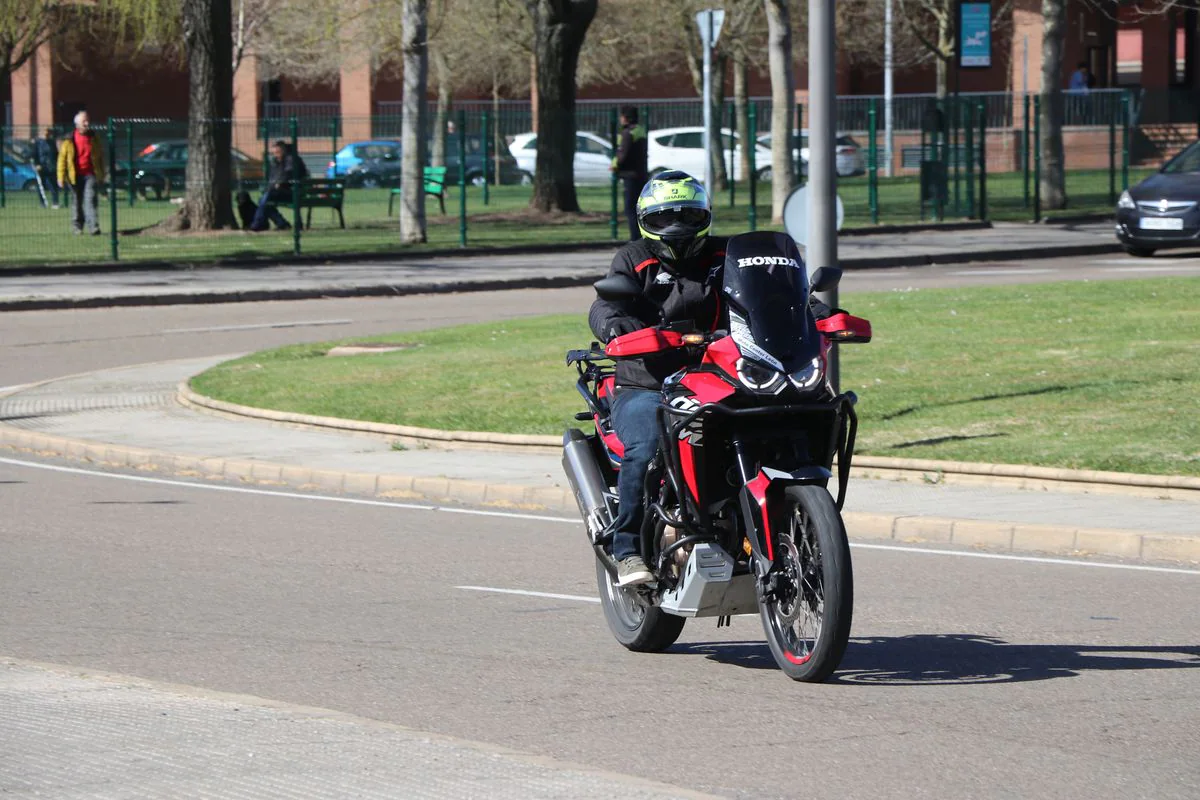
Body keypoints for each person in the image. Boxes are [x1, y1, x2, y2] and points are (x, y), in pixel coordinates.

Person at [587, 170, 726, 586]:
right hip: (648, 382)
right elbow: (603, 307)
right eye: (666, 218)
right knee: (649, 445)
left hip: (719, 376)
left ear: (705, 215)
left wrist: (810, 310)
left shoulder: (728, 255)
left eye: (687, 215)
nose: (678, 228)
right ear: (647, 220)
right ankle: (626, 547)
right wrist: (617, 328)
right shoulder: (632, 259)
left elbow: (770, 289)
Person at [56, 111, 106, 235]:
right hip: (74, 176)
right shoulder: (68, 139)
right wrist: (60, 177)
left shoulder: (94, 137)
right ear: (77, 124)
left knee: (90, 200)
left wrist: (102, 173)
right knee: (76, 202)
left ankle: (93, 227)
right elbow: (62, 159)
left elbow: (100, 157)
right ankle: (77, 227)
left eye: (87, 120)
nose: (87, 123)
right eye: (84, 121)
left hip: (90, 174)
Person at [250, 140, 308, 232]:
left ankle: (257, 224)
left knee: (265, 199)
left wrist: (280, 183)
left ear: (284, 150)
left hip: (293, 192)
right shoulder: (275, 162)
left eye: (278, 152)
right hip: (280, 192)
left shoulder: (291, 160)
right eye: (274, 153)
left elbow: (289, 174)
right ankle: (281, 223)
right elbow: (273, 179)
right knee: (264, 200)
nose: (276, 155)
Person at [611, 105, 648, 242]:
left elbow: (623, 154)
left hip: (630, 176)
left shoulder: (628, 133)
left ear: (625, 118)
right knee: (640, 209)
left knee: (630, 209)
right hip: (641, 175)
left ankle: (635, 239)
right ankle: (643, 236)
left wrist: (615, 164)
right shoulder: (640, 131)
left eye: (622, 116)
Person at [33, 128, 59, 209]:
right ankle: (42, 203)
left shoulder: (52, 142)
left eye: (48, 132)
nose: (46, 134)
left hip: (51, 167)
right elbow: (34, 154)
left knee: (53, 185)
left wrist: (56, 164)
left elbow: (56, 154)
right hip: (41, 167)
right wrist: (36, 164)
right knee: (41, 186)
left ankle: (55, 203)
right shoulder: (38, 143)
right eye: (44, 132)